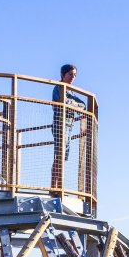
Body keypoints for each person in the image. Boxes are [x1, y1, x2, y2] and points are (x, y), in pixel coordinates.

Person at [50, 64, 87, 192]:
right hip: (60, 124)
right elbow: (63, 103)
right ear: (63, 75)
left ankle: (57, 186)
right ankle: (55, 187)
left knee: (63, 156)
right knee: (59, 155)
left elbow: (82, 104)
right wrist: (73, 105)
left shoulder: (70, 91)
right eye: (70, 74)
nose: (73, 77)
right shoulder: (59, 88)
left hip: (69, 125)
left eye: (75, 75)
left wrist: (73, 105)